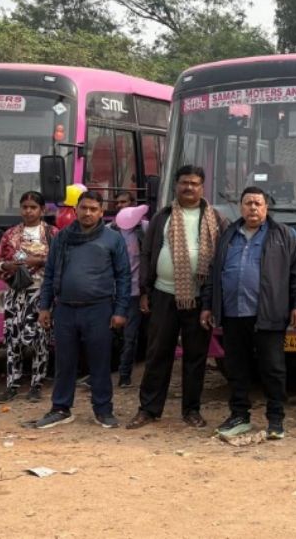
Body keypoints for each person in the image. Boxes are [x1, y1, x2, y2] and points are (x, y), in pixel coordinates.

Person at [202, 186, 296, 440]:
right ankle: (239, 415)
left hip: (268, 313)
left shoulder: (282, 235)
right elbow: (213, 273)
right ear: (241, 207)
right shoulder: (228, 235)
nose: (253, 208)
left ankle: (275, 420)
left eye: (258, 204)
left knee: (273, 368)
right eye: (248, 203)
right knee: (236, 368)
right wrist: (208, 305)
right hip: (233, 314)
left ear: (266, 208)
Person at [127, 165, 225, 430]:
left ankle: (191, 410)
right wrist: (145, 291)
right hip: (163, 294)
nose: (189, 187)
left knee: (196, 357)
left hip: (199, 300)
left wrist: (213, 300)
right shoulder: (163, 217)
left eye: (194, 183)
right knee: (158, 353)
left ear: (202, 187)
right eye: (184, 183)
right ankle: (148, 409)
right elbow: (147, 254)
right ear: (176, 186)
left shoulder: (215, 218)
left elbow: (221, 260)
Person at [33, 191, 131, 429]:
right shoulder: (63, 237)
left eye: (94, 209)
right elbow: (50, 274)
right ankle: (60, 408)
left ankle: (103, 410)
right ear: (76, 209)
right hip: (65, 309)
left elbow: (124, 276)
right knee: (64, 363)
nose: (88, 213)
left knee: (99, 362)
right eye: (84, 208)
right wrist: (44, 306)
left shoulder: (112, 239)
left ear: (101, 212)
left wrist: (120, 311)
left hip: (99, 310)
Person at [0, 191, 57, 404]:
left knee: (40, 340)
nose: (28, 211)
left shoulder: (52, 234)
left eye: (33, 207)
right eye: (25, 207)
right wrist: (8, 266)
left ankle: (36, 385)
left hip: (41, 295)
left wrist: (39, 261)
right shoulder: (10, 234)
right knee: (13, 341)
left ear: (42, 210)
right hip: (15, 294)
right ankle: (12, 385)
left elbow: (61, 261)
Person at [109, 191, 147, 388]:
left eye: (124, 202)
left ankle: (124, 375)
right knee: (108, 335)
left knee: (130, 337)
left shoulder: (145, 228)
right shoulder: (109, 230)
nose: (120, 205)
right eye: (118, 203)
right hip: (112, 291)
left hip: (134, 292)